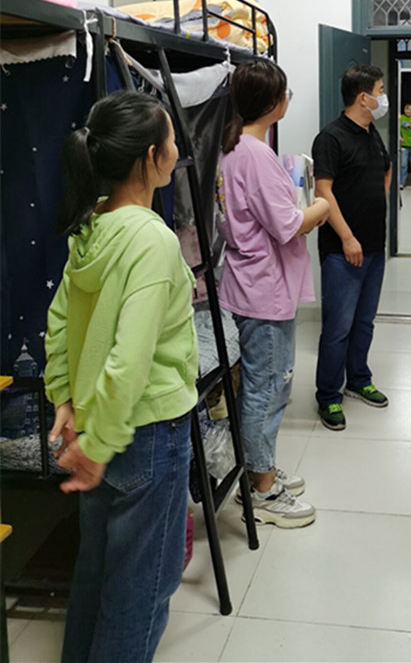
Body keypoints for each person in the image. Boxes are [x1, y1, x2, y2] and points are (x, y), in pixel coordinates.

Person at [44, 91, 198, 662]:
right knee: (141, 590)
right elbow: (130, 360)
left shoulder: (91, 226)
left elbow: (60, 322)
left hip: (95, 426)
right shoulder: (151, 239)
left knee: (97, 573)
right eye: (171, 140)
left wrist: (66, 401)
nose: (177, 149)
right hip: (144, 432)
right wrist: (100, 446)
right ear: (151, 157)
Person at [217, 59, 329, 527]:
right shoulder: (255, 155)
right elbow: (287, 225)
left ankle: (258, 469)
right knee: (268, 389)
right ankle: (262, 491)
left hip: (250, 283)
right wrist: (320, 207)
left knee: (262, 386)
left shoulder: (234, 149)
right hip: (263, 291)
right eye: (285, 94)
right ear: (273, 103)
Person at [312, 65, 392, 431]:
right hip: (342, 251)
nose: (383, 97)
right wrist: (347, 237)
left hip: (374, 246)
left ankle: (358, 379)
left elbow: (386, 169)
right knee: (338, 327)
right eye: (380, 90)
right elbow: (323, 191)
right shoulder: (331, 137)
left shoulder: (372, 133)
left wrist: (377, 203)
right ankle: (329, 396)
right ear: (364, 97)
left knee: (364, 321)